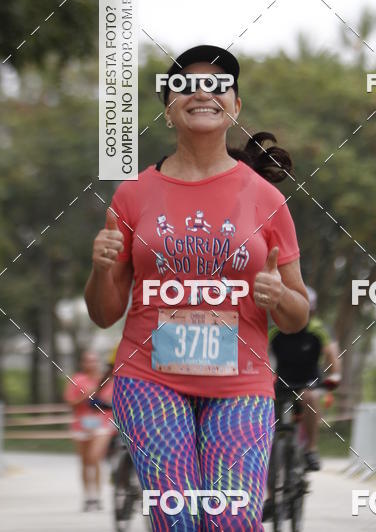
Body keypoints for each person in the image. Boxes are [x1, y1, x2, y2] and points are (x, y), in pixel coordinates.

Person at [84, 44, 309, 531]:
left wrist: (278, 296)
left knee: (231, 521)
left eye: (217, 85)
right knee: (179, 520)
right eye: (186, 85)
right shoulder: (133, 194)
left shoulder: (266, 197)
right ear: (168, 107)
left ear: (235, 107)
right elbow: (104, 313)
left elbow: (297, 316)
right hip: (149, 380)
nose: (202, 93)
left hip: (241, 386)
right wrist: (101, 268)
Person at [268, 286, 341, 471]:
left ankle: (310, 449)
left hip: (310, 381)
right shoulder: (275, 330)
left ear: (312, 311)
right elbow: (261, 354)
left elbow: (333, 357)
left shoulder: (319, 330)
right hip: (283, 379)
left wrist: (334, 377)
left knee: (309, 397)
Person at [63, 349, 115, 511]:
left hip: (102, 423)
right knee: (85, 462)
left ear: (98, 362)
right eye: (87, 360)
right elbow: (70, 403)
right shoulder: (77, 380)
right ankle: (89, 497)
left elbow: (113, 402)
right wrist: (84, 396)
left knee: (94, 458)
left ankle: (98, 496)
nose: (90, 363)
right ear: (83, 363)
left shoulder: (107, 380)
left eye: (93, 360)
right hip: (81, 423)